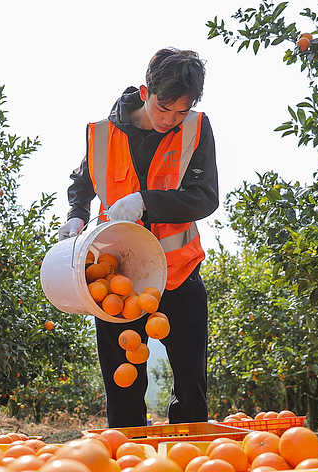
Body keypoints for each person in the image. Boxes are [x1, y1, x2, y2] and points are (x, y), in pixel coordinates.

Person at [59, 48, 219, 428]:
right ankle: (128, 468)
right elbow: (82, 186)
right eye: (165, 110)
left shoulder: (195, 128)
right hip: (118, 279)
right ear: (146, 95)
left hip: (178, 275)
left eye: (182, 111)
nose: (172, 120)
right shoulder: (100, 133)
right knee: (124, 386)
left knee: (191, 386)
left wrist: (146, 201)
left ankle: (192, 466)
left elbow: (205, 196)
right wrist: (76, 217)